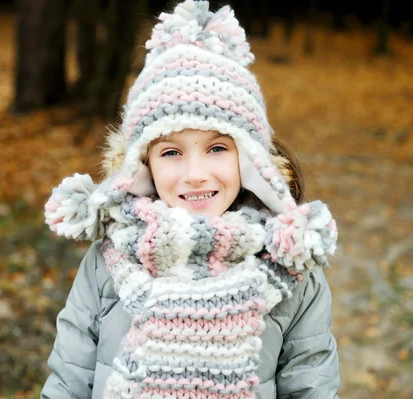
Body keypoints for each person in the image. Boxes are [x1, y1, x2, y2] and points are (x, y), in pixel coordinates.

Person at [41, 1, 340, 398]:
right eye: (171, 152)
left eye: (217, 148)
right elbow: (68, 381)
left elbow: (311, 387)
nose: (196, 172)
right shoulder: (106, 265)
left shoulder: (292, 267)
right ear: (142, 164)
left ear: (250, 161)